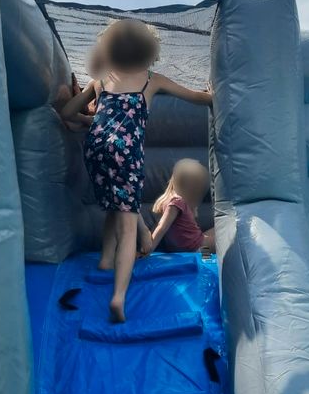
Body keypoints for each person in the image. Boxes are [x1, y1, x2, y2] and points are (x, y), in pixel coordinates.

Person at [59, 19, 212, 323]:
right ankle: (118, 298)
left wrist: (95, 122)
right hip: (126, 154)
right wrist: (211, 94)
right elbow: (196, 98)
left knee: (113, 208)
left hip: (96, 149)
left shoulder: (101, 80)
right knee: (127, 225)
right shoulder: (150, 80)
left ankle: (104, 262)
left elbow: (66, 113)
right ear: (149, 52)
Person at [151, 159, 215, 255]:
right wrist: (149, 249)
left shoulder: (167, 199)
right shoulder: (177, 202)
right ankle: (205, 260)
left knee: (215, 232)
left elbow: (159, 225)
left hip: (191, 244)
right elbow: (161, 227)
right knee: (222, 233)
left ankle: (205, 258)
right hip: (193, 246)